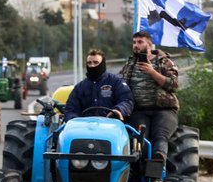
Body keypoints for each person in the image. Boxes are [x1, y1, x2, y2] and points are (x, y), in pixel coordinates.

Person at [119, 31, 179, 166]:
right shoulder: (130, 64)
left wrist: (152, 72)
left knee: (160, 136)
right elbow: (120, 84)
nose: (136, 45)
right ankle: (144, 177)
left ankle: (158, 164)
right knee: (142, 141)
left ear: (149, 44)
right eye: (134, 42)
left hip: (164, 110)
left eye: (140, 42)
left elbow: (174, 85)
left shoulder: (164, 62)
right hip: (139, 111)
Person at [63, 49, 133, 123]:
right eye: (89, 63)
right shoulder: (80, 87)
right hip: (86, 128)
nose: (92, 65)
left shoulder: (116, 81)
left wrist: (118, 110)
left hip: (112, 126)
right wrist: (75, 120)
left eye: (96, 62)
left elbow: (127, 100)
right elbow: (70, 109)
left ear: (103, 64)